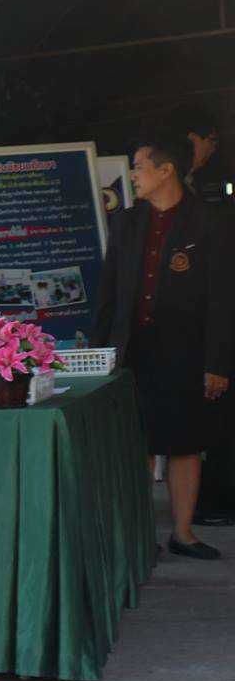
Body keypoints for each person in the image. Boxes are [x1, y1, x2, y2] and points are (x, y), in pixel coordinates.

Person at [91, 127, 234, 559]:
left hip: (186, 351)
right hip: (133, 351)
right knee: (137, 443)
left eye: (138, 167)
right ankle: (142, 537)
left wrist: (218, 363)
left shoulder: (209, 221)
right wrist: (99, 352)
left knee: (185, 443)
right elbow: (109, 293)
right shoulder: (126, 222)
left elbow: (223, 297)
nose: (133, 175)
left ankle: (183, 533)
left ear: (165, 170)